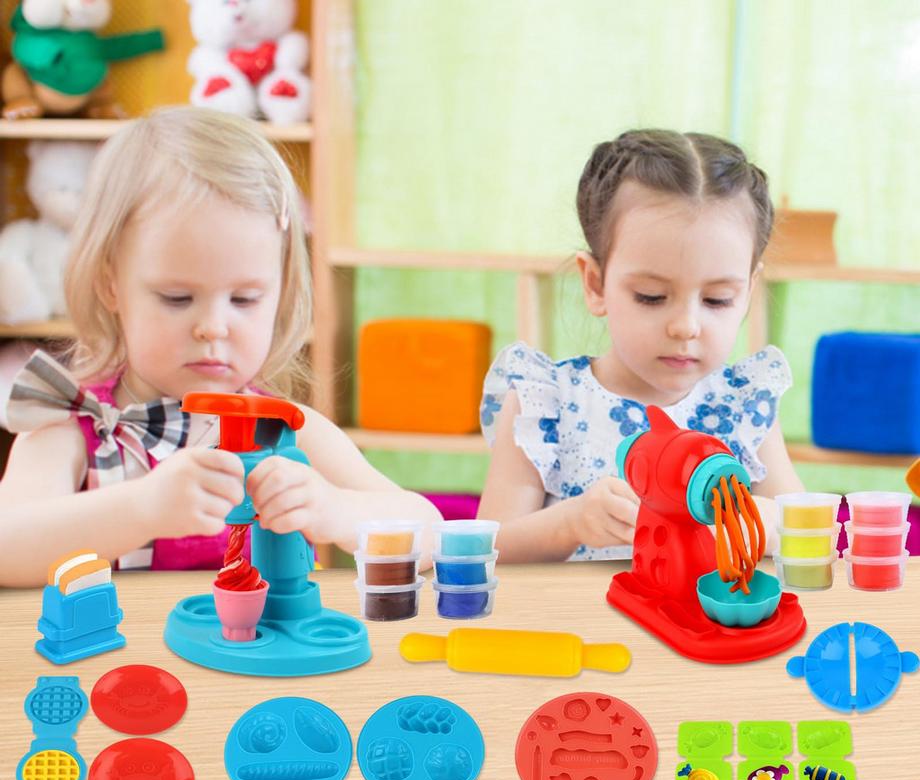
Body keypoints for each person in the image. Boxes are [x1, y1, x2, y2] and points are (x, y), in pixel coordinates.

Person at [0, 107, 440, 587]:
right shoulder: (72, 424)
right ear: (111, 285)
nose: (213, 327)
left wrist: (334, 509)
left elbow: (431, 534)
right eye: (177, 298)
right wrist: (140, 509)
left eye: (245, 299)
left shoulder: (285, 430)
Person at [479, 129, 802, 562]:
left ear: (748, 291)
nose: (686, 326)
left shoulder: (743, 406)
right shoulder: (544, 404)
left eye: (717, 300)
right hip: (579, 610)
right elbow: (486, 550)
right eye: (651, 296)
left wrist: (768, 523)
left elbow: (806, 529)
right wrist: (569, 523)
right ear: (595, 284)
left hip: (702, 609)